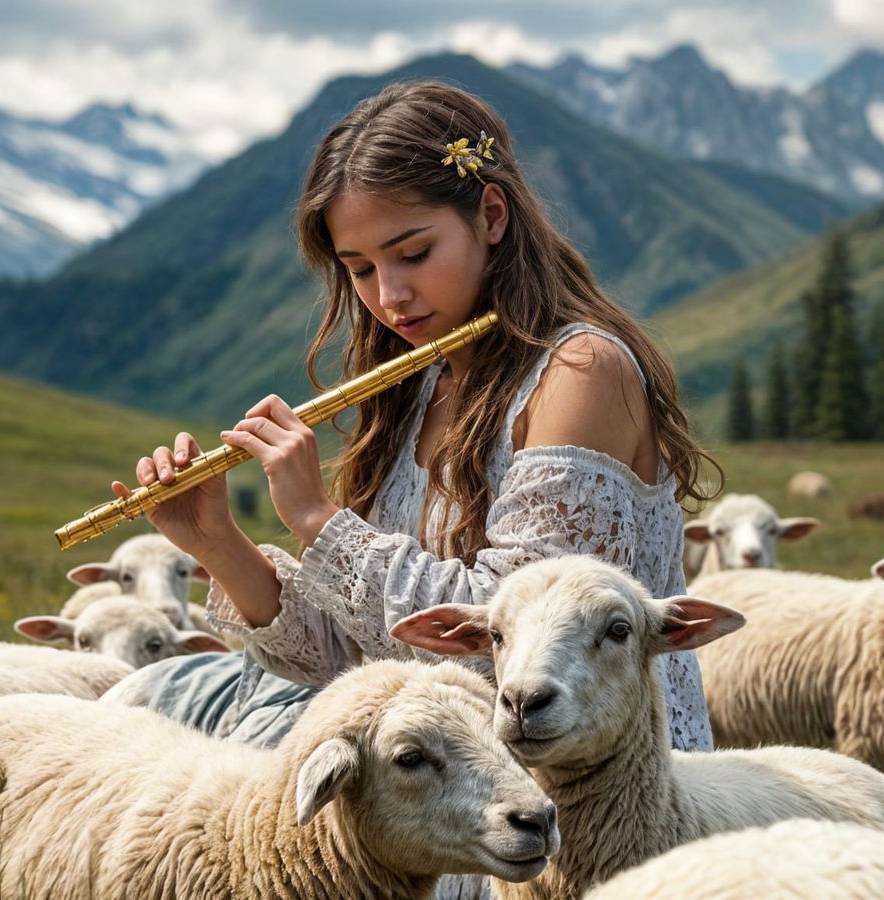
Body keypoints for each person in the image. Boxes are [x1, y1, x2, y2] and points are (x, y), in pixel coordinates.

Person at [109, 80, 720, 754]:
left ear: (491, 215)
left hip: (605, 810)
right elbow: (354, 656)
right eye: (361, 270)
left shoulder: (582, 372)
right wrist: (216, 542)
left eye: (413, 254)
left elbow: (520, 649)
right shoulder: (418, 385)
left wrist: (318, 520)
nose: (389, 296)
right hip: (460, 796)